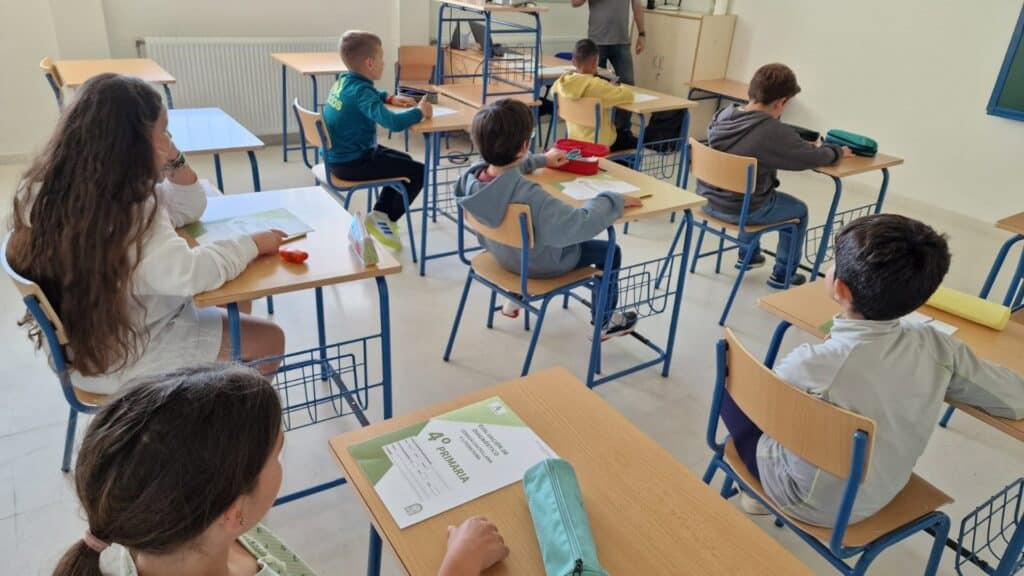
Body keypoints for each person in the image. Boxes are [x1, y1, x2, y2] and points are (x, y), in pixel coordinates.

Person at [52, 364, 510, 576]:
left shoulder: (134, 542)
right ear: (232, 512)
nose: (280, 462)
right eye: (277, 453)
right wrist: (458, 566)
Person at [719, 214, 1024, 525]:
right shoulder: (940, 347)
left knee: (732, 381)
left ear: (840, 289)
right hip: (883, 491)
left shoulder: (811, 364)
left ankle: (756, 492)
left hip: (803, 499)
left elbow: (767, 414)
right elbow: (1015, 399)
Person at [8, 73, 285, 396]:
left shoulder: (51, 186)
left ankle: (209, 396)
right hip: (123, 356)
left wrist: (173, 158)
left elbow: (188, 207)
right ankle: (215, 414)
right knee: (269, 339)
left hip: (85, 342)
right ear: (134, 143)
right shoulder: (130, 211)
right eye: (163, 132)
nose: (169, 140)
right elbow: (190, 275)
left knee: (234, 297)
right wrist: (252, 243)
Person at [455, 99, 643, 339]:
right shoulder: (531, 197)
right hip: (540, 266)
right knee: (611, 251)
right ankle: (605, 321)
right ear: (524, 145)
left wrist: (542, 159)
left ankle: (515, 295)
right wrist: (611, 200)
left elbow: (506, 172)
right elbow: (579, 225)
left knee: (531, 231)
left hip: (501, 255)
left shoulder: (470, 180)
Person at [697, 63, 851, 289]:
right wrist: (837, 151)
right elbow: (810, 158)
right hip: (741, 210)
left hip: (708, 201)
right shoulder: (771, 131)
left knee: (751, 191)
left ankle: (748, 255)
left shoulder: (723, 115)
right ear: (781, 102)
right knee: (797, 211)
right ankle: (783, 274)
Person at [323, 30, 433, 251]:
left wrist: (388, 97)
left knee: (405, 160)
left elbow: (364, 96)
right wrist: (420, 112)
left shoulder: (344, 81)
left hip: (338, 158)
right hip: (353, 163)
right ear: (370, 63)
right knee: (419, 172)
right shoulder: (362, 92)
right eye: (382, 58)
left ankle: (380, 214)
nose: (384, 62)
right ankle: (386, 219)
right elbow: (393, 123)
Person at [570, 0, 646, 146]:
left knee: (628, 84)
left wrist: (642, 33)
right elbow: (575, 2)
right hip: (597, 42)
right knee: (593, 88)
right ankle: (593, 133)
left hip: (622, 41)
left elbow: (637, 5)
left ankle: (622, 133)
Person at [552, 39, 635, 150]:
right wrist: (614, 87)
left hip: (573, 140)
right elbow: (628, 95)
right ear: (595, 61)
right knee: (633, 139)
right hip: (599, 144)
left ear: (573, 62)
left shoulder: (560, 83)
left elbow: (552, 92)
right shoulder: (598, 86)